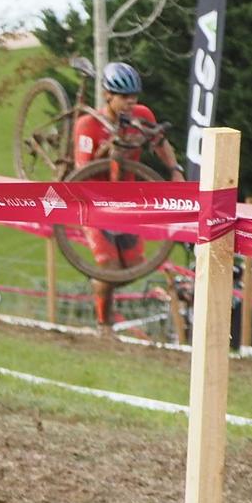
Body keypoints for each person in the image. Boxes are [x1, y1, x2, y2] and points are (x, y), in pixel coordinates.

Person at [73, 60, 180, 328]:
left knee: (135, 265)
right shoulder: (88, 125)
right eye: (123, 97)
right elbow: (82, 172)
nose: (130, 102)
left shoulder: (141, 115)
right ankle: (103, 325)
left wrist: (174, 169)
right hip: (93, 203)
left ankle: (100, 284)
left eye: (134, 96)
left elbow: (160, 142)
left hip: (127, 202)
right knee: (108, 266)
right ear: (108, 95)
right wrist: (105, 152)